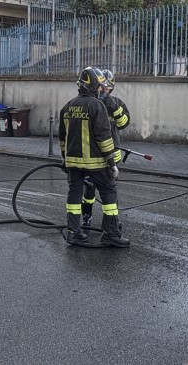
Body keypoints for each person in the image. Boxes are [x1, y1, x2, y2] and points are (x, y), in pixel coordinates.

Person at [58, 67, 130, 247]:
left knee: (74, 194)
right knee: (109, 191)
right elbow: (104, 138)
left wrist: (65, 159)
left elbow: (62, 137)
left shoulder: (67, 106)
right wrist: (112, 163)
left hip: (73, 162)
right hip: (96, 162)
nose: (101, 90)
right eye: (100, 86)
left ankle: (73, 232)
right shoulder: (97, 106)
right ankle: (111, 233)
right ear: (93, 86)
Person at [82, 69, 131, 228]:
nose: (104, 91)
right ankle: (86, 216)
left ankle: (111, 223)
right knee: (89, 189)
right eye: (102, 88)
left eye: (107, 89)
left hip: (112, 156)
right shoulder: (90, 102)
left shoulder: (117, 103)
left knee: (110, 191)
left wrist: (113, 106)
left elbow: (123, 124)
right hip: (93, 154)